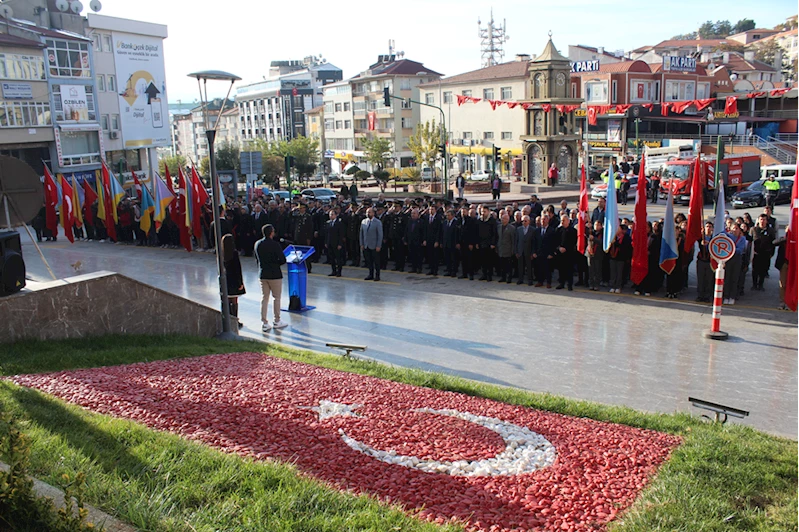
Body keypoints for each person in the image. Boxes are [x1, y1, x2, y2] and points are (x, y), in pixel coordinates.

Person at [254, 224, 288, 332]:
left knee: (264, 298)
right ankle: (277, 320)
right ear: (271, 233)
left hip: (263, 273)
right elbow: (282, 260)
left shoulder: (257, 244)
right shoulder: (275, 245)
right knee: (276, 297)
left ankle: (264, 322)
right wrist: (276, 263)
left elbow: (257, 258)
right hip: (275, 274)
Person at [222, 234, 245, 329]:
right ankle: (235, 320)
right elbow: (237, 269)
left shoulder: (221, 253)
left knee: (226, 300)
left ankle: (227, 319)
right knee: (234, 301)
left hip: (225, 279)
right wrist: (240, 283)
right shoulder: (234, 253)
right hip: (234, 280)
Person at [722, 222, 747, 305]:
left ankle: (732, 296)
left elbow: (740, 249)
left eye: (736, 228)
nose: (735, 230)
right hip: (728, 259)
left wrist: (731, 248)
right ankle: (726, 296)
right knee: (727, 278)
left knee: (735, 278)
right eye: (733, 228)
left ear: (739, 230)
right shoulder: (728, 236)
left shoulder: (742, 238)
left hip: (737, 258)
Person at [750, 214, 775, 291]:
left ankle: (761, 284)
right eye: (761, 219)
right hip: (756, 253)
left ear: (766, 221)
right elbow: (750, 241)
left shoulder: (770, 230)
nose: (762, 221)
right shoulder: (753, 229)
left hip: (766, 254)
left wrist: (772, 253)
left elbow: (773, 242)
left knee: (763, 270)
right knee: (755, 270)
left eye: (764, 220)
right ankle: (754, 285)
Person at [554, 214, 577, 290]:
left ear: (568, 221)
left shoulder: (573, 231)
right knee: (561, 269)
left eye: (563, 220)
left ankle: (569, 284)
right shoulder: (558, 230)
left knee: (569, 270)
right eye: (561, 220)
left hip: (569, 253)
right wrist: (559, 248)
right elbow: (555, 241)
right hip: (560, 253)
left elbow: (573, 242)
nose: (562, 222)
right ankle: (561, 283)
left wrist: (566, 248)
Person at [532, 214, 556, 288]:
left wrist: (551, 253)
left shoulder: (552, 230)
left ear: (548, 220)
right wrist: (534, 252)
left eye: (544, 219)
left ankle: (548, 282)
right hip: (539, 253)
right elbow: (534, 242)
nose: (543, 221)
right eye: (542, 219)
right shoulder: (537, 230)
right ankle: (540, 281)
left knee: (548, 269)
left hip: (547, 253)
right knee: (539, 268)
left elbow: (553, 243)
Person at [360, 207, 383, 281]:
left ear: (373, 213)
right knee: (369, 261)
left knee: (376, 262)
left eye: (369, 212)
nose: (367, 214)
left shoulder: (377, 222)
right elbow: (361, 234)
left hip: (374, 245)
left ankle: (377, 275)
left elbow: (380, 235)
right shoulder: (363, 221)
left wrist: (378, 245)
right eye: (367, 212)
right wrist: (362, 244)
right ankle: (370, 274)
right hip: (366, 245)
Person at [607, 223, 631, 293]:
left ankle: (618, 286)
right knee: (613, 272)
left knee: (619, 273)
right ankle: (612, 286)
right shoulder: (614, 237)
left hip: (621, 258)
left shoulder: (626, 237)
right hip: (613, 257)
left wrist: (617, 244)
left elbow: (626, 248)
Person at [477, 206, 497, 281]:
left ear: (488, 211)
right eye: (482, 211)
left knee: (489, 260)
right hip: (481, 243)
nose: (483, 213)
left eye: (484, 211)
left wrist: (493, 243)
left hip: (489, 244)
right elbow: (477, 233)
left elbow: (494, 233)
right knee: (482, 260)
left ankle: (489, 275)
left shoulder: (492, 221)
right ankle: (484, 274)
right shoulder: (479, 221)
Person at [694, 221, 714, 302]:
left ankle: (707, 296)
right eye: (707, 226)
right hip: (701, 260)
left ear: (712, 228)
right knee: (700, 279)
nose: (708, 228)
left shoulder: (714, 238)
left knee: (709, 279)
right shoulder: (701, 237)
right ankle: (700, 295)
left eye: (710, 226)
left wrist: (709, 243)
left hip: (710, 261)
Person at [325, 209, 345, 277]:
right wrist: (326, 242)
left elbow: (341, 235)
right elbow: (327, 234)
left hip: (336, 243)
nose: (331, 216)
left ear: (336, 215)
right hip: (330, 243)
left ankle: (339, 272)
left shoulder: (339, 223)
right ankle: (333, 271)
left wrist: (340, 244)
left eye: (332, 214)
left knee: (338, 258)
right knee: (332, 258)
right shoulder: (328, 223)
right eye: (330, 214)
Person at [497, 213, 516, 283]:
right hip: (501, 249)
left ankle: (509, 277)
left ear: (508, 220)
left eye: (504, 219)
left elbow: (513, 240)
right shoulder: (498, 227)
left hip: (508, 249)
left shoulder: (511, 228)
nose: (503, 220)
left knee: (509, 265)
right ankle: (503, 277)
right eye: (502, 218)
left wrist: (513, 250)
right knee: (502, 265)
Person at [515, 215, 535, 286]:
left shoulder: (533, 230)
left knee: (529, 266)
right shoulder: (518, 229)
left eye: (525, 221)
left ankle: (530, 280)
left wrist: (532, 252)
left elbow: (534, 242)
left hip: (528, 251)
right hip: (521, 251)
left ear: (529, 222)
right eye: (522, 221)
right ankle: (520, 279)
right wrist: (516, 251)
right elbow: (516, 241)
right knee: (520, 266)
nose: (524, 222)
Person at [586, 220, 604, 291]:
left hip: (598, 254)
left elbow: (601, 242)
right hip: (590, 253)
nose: (596, 226)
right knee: (590, 270)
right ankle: (591, 284)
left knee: (597, 270)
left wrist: (594, 239)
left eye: (598, 225)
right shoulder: (591, 232)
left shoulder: (602, 233)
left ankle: (596, 284)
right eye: (595, 225)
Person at [441, 209, 460, 277]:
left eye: (449, 215)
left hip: (453, 243)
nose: (447, 217)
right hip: (446, 243)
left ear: (453, 215)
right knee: (447, 258)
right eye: (447, 215)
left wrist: (457, 243)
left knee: (453, 258)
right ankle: (449, 270)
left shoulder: (456, 222)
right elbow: (442, 233)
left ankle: (454, 271)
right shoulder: (445, 222)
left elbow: (458, 234)